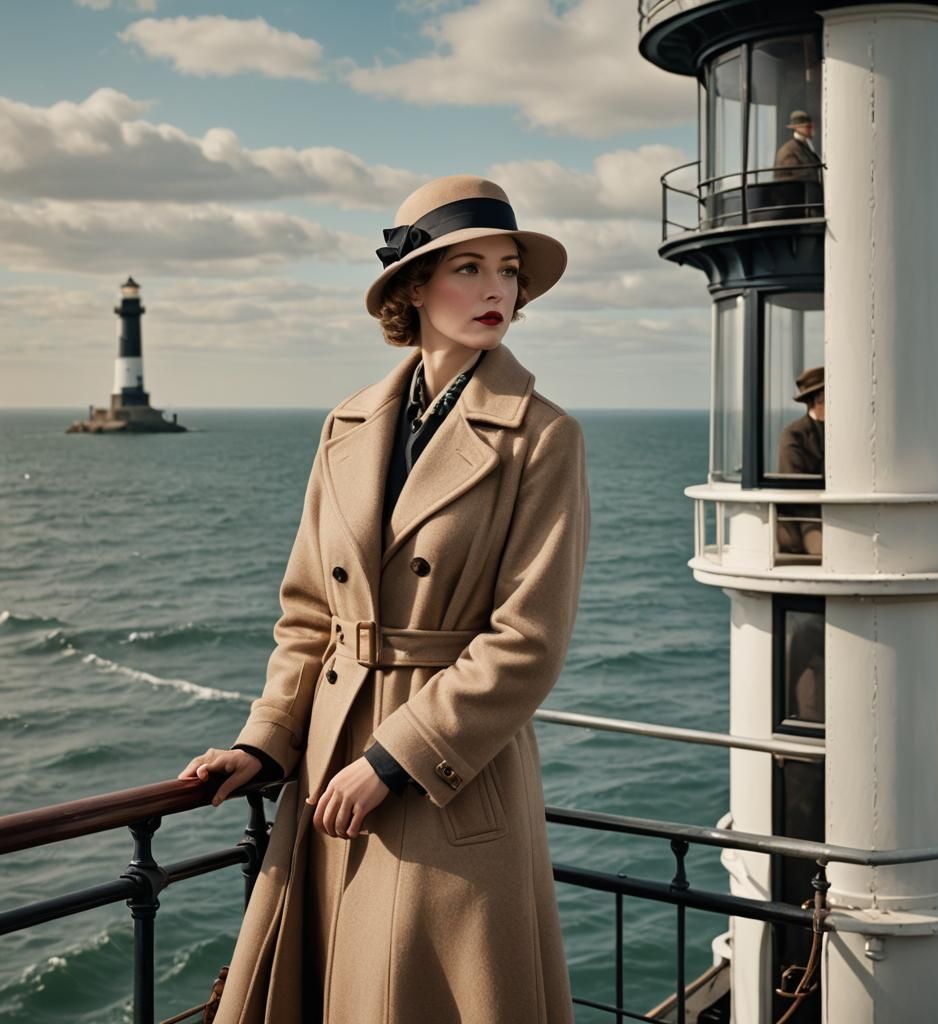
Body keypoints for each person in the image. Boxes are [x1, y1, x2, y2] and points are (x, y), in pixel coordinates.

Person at [178, 175, 591, 1023]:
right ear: (413, 287)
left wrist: (395, 760)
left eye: (508, 270)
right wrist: (265, 741)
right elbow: (307, 616)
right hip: (330, 761)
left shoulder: (544, 435)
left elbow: (528, 639)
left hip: (446, 776)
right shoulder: (349, 424)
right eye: (467, 268)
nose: (495, 291)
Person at [776, 366, 825, 555]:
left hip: (839, 514)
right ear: (819, 398)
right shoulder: (794, 435)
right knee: (824, 551)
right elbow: (794, 481)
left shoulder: (841, 432)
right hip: (806, 518)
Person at [773, 110, 821, 183]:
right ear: (797, 128)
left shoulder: (806, 146)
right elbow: (800, 176)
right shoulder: (788, 150)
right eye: (807, 126)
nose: (811, 129)